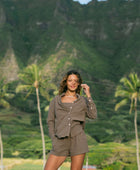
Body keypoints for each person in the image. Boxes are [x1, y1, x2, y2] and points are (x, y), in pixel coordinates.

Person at [44, 70, 97, 170]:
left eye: (75, 81)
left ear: (79, 83)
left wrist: (88, 95)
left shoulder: (83, 100)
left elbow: (93, 115)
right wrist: (54, 138)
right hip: (60, 140)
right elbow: (50, 121)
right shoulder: (56, 100)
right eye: (70, 80)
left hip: (78, 140)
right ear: (65, 82)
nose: (73, 83)